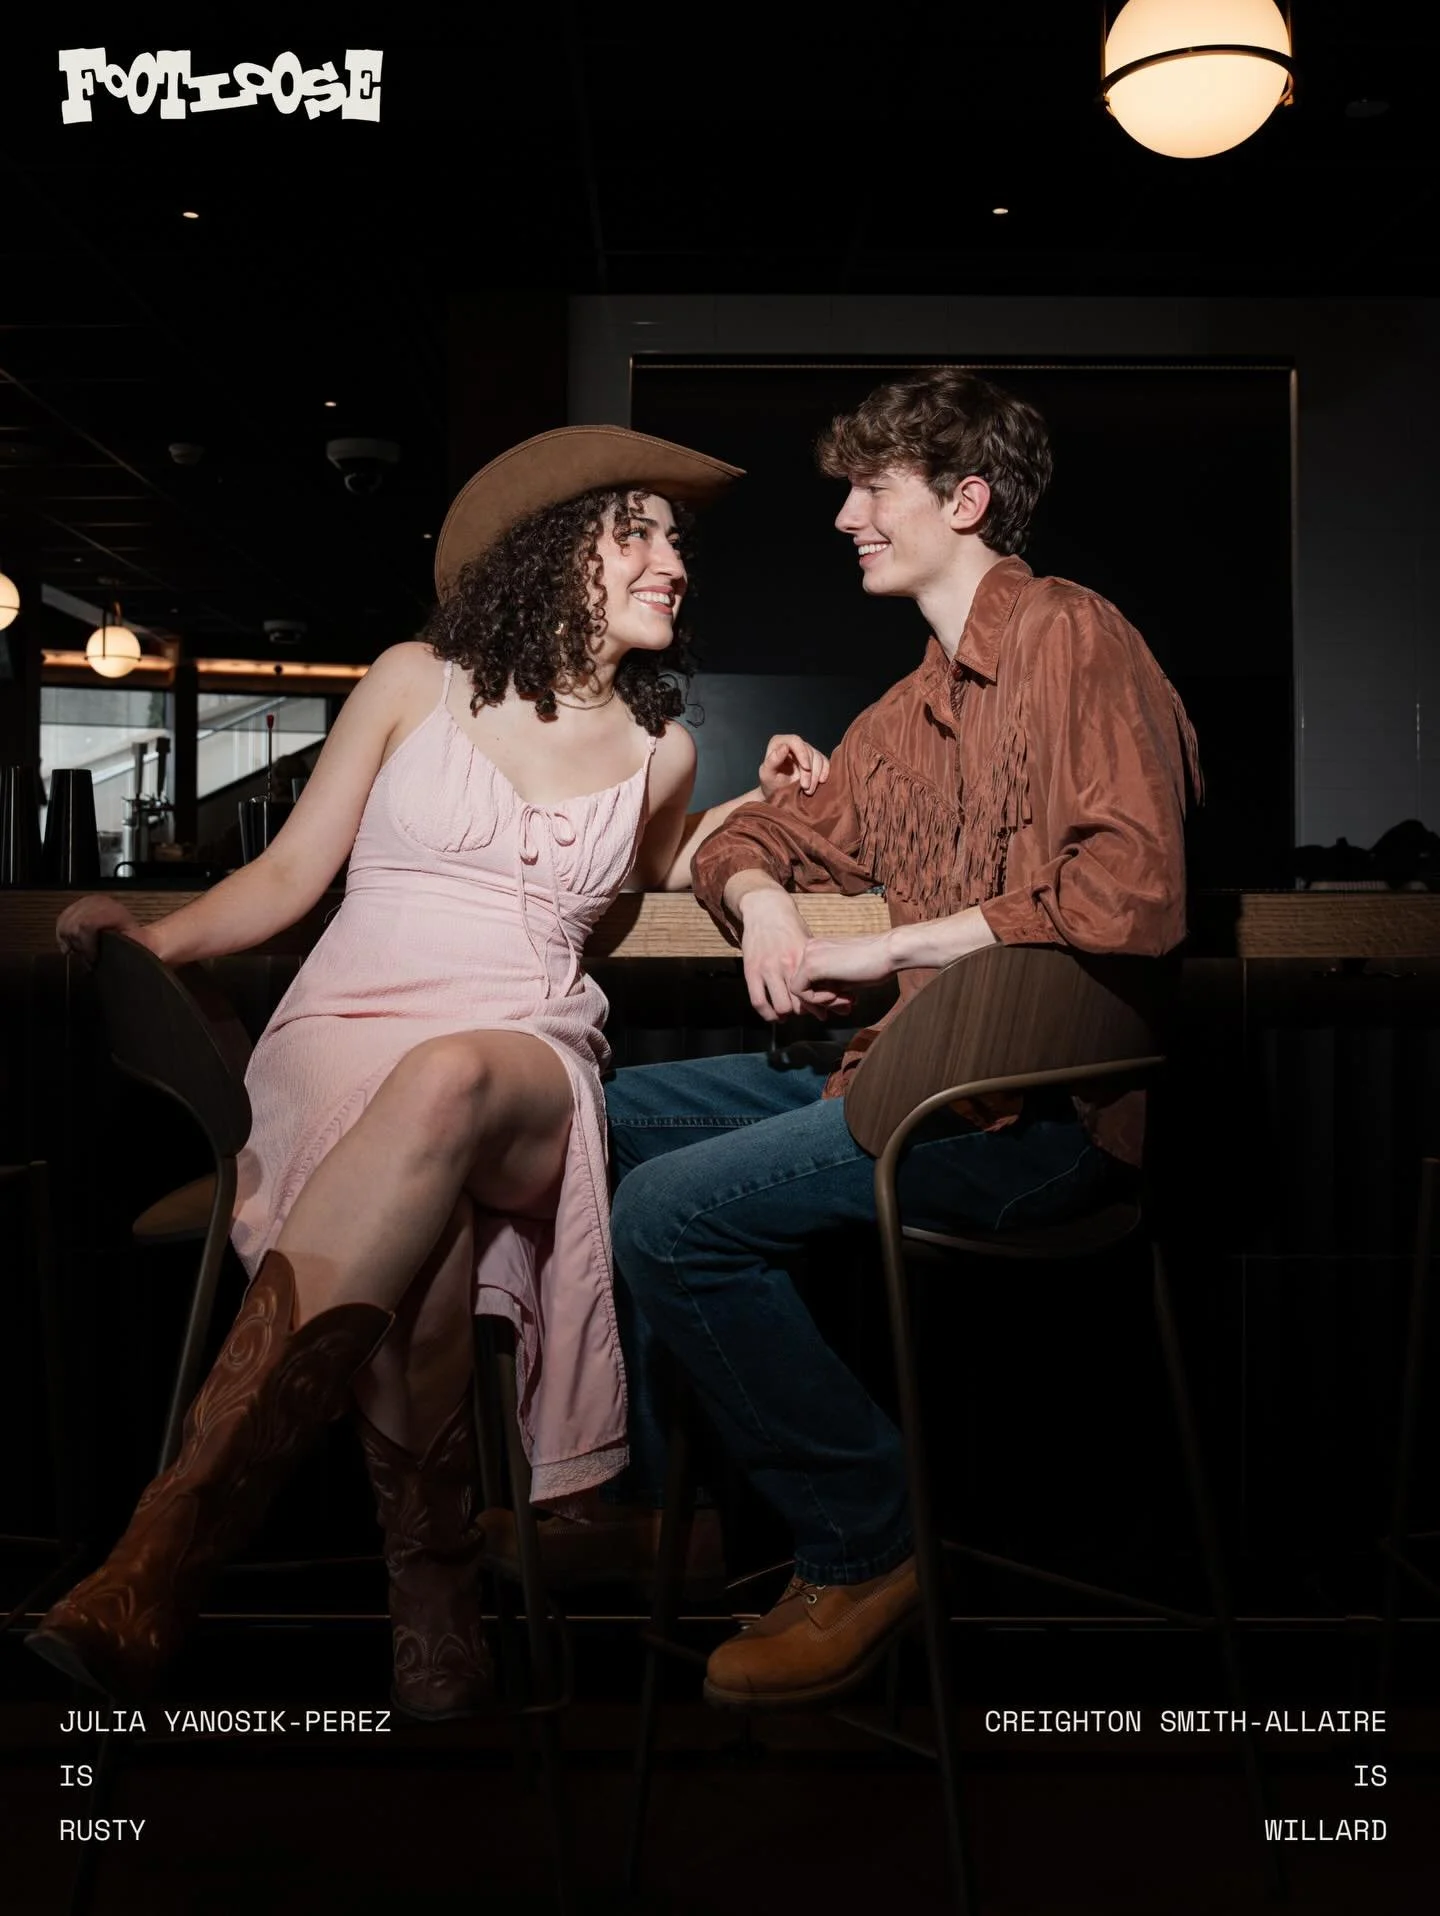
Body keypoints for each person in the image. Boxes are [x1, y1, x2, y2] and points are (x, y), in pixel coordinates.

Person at [26, 426, 832, 1717]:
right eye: (640, 530)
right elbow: (293, 878)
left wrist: (768, 803)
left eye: (677, 539)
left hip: (520, 1052)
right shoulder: (415, 678)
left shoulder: (659, 750)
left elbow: (671, 860)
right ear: (557, 550)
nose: (672, 559)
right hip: (342, 1035)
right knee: (428, 1241)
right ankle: (432, 1586)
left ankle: (167, 1544)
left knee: (450, 1081)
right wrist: (148, 940)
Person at [602, 370, 1204, 1710]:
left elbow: (1132, 893)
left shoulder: (1072, 639)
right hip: (900, 1080)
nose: (845, 519)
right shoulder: (908, 710)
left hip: (1032, 1117)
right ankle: (660, 1507)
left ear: (966, 499)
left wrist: (887, 946)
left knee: (663, 1213)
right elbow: (752, 839)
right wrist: (761, 903)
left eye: (872, 491)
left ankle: (869, 1545)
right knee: (579, 1119)